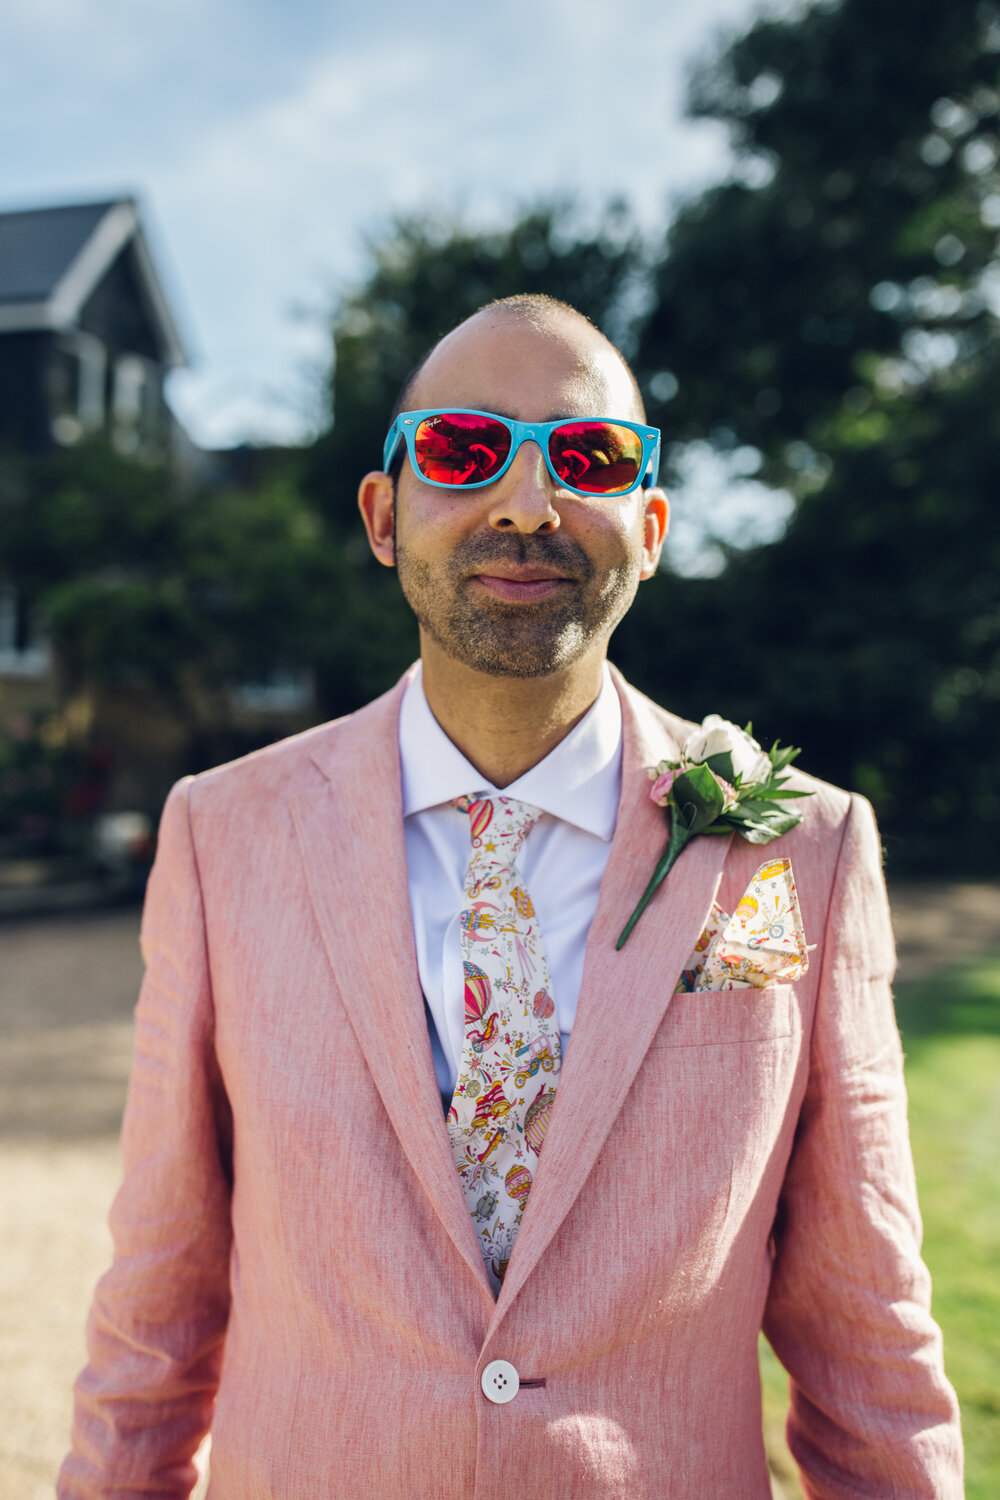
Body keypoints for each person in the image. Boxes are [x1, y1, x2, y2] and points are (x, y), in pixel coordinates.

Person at [59, 295, 963, 1499]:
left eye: (585, 459)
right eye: (462, 451)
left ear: (647, 526)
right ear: (386, 517)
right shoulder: (222, 834)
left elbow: (868, 1327)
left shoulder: (803, 849)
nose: (527, 506)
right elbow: (157, 1297)